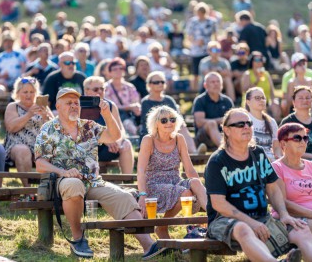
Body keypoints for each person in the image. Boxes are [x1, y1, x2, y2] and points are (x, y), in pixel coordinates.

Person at [35, 87, 168, 259]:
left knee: (124, 196)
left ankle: (148, 246)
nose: (74, 106)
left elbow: (114, 137)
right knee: (74, 185)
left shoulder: (89, 126)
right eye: (69, 103)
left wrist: (107, 114)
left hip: (93, 181)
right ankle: (78, 239)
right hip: (64, 180)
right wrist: (63, 171)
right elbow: (39, 163)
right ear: (58, 107)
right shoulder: (48, 129)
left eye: (76, 103)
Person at [205, 107, 312, 262]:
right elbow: (218, 203)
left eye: (249, 123)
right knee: (243, 228)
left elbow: (273, 188)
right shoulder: (217, 161)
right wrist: (251, 223)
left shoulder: (257, 153)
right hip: (224, 220)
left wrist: (284, 214)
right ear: (226, 130)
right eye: (240, 124)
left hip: (262, 217)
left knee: (301, 229)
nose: (246, 127)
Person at [137, 105, 207, 238]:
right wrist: (142, 195)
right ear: (156, 123)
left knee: (195, 183)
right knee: (185, 192)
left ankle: (214, 219)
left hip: (175, 182)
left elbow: (189, 168)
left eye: (172, 119)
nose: (169, 123)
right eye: (164, 120)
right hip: (154, 185)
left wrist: (198, 188)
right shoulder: (148, 140)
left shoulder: (179, 138)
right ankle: (162, 227)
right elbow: (141, 171)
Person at [273, 122, 312, 262]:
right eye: (297, 138)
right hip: (293, 219)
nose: (303, 142)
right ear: (283, 144)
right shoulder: (277, 167)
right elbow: (282, 202)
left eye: (305, 138)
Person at [4, 77, 53, 187]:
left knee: (51, 151)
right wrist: (29, 114)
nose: (28, 95)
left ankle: (48, 190)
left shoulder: (42, 106)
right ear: (18, 93)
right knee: (23, 151)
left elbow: (54, 129)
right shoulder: (13, 106)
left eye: (32, 92)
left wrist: (46, 117)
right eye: (25, 92)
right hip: (17, 144)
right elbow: (11, 127)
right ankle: (28, 191)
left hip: (39, 145)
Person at [83, 76, 134, 175]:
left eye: (102, 88)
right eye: (96, 89)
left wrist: (117, 142)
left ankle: (127, 179)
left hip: (110, 147)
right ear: (86, 90)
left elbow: (120, 129)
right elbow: (82, 133)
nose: (100, 91)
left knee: (126, 144)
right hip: (88, 147)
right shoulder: (80, 106)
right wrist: (106, 140)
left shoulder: (110, 105)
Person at [140, 71, 197, 153]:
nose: (160, 84)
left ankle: (195, 153)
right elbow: (148, 124)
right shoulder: (145, 102)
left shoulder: (169, 100)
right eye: (156, 82)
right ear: (149, 85)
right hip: (154, 132)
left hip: (170, 129)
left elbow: (178, 118)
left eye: (162, 82)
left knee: (182, 126)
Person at [192, 72, 233, 150]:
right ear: (205, 85)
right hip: (204, 138)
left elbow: (233, 121)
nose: (216, 84)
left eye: (218, 82)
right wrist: (220, 120)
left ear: (222, 85)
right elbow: (199, 122)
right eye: (213, 82)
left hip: (225, 134)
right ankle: (226, 149)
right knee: (211, 124)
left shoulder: (227, 101)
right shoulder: (200, 100)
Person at [104, 57, 141, 136]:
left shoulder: (130, 87)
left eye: (121, 68)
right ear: (110, 72)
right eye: (115, 69)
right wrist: (129, 107)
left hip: (131, 114)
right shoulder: (105, 88)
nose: (118, 71)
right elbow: (110, 105)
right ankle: (135, 133)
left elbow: (136, 102)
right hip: (114, 115)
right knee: (122, 115)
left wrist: (136, 108)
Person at [241, 51, 281, 121]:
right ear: (252, 62)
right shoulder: (248, 74)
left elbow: (272, 90)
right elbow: (244, 90)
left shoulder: (266, 74)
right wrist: (257, 81)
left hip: (265, 101)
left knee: (276, 106)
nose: (259, 62)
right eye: (257, 60)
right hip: (251, 102)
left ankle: (275, 127)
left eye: (261, 59)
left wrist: (273, 101)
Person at [186, 2, 217, 90]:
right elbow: (189, 36)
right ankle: (193, 92)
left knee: (208, 71)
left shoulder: (212, 22)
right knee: (195, 73)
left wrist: (214, 46)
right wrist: (196, 42)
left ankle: (208, 89)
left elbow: (215, 36)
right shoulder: (193, 21)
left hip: (208, 51)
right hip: (196, 51)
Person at [245, 87, 282, 162]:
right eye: (257, 98)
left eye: (263, 98)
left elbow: (277, 147)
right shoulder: (244, 120)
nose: (261, 100)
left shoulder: (271, 122)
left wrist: (279, 159)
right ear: (248, 102)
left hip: (271, 161)